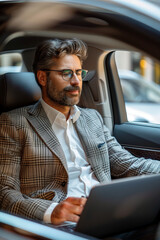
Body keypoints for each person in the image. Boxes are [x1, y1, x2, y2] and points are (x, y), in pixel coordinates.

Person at [0, 38, 160, 227]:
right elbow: (4, 191)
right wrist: (52, 211)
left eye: (78, 72)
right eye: (66, 73)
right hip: (58, 225)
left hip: (107, 214)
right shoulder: (13, 123)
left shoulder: (92, 118)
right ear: (43, 78)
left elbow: (126, 164)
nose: (76, 81)